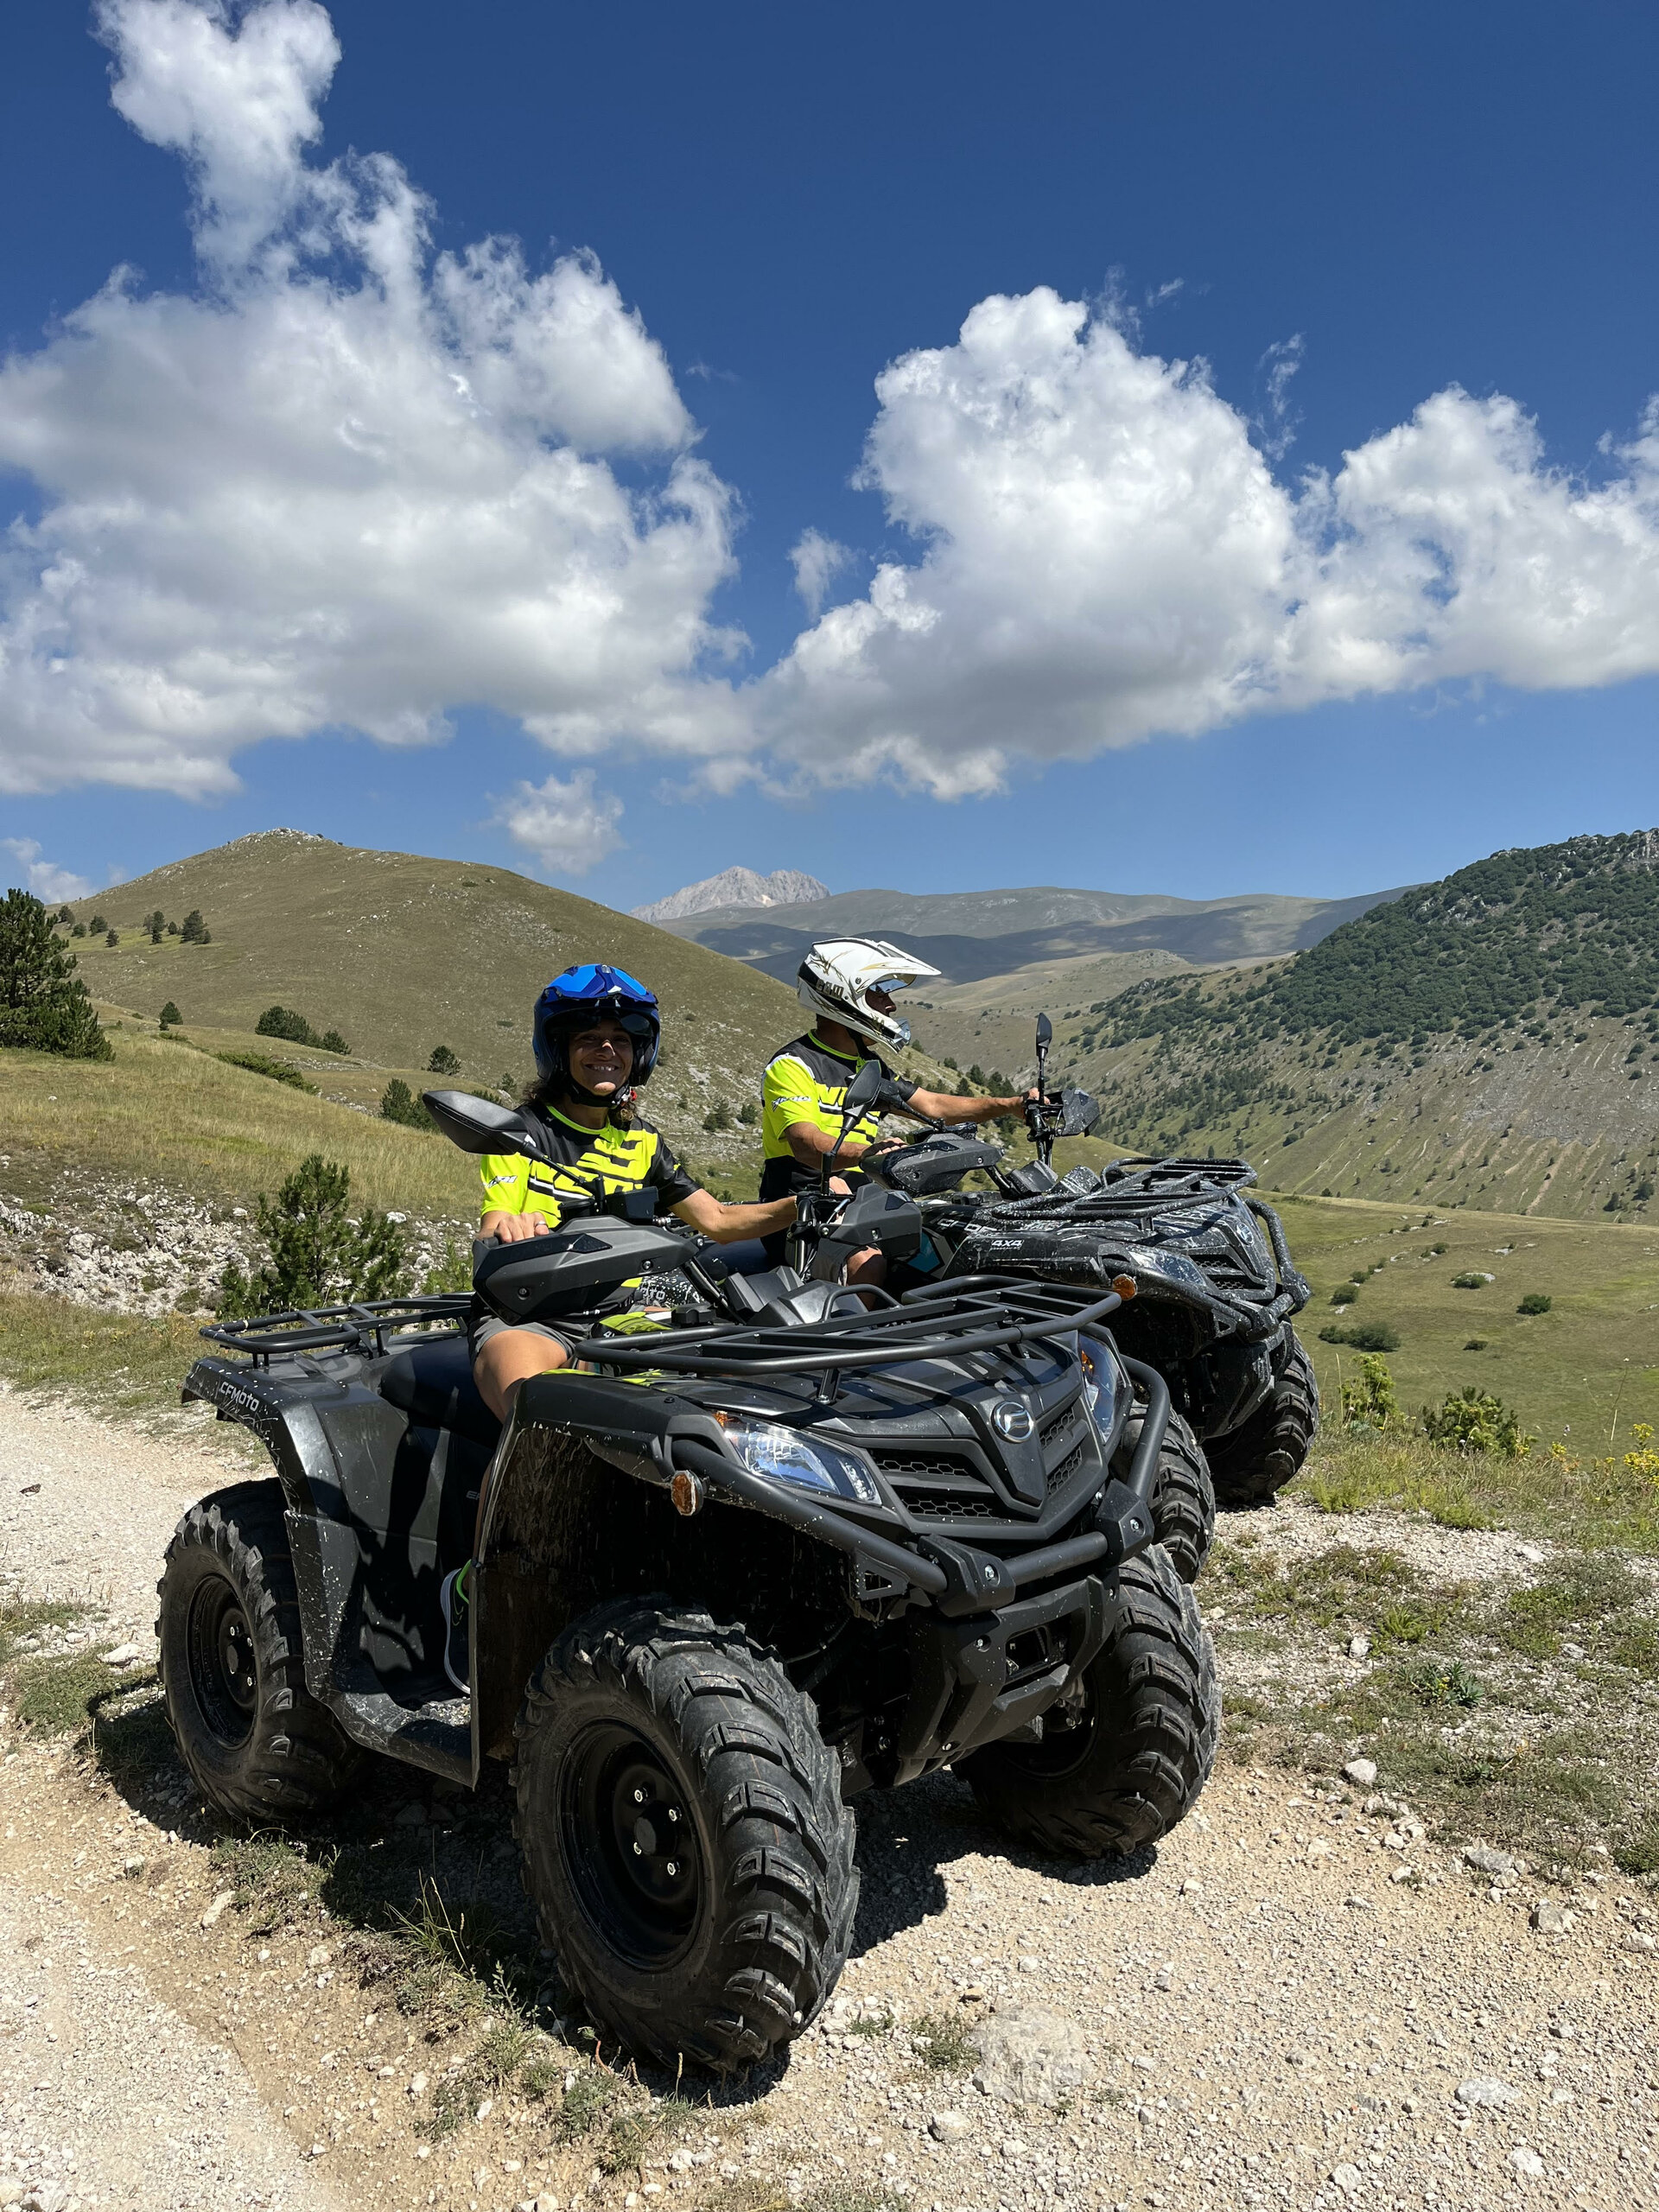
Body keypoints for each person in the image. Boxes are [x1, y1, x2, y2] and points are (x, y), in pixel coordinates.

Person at [440, 962, 798, 1691]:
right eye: (589, 1039)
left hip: (630, 1320)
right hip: (534, 1316)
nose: (607, 1050)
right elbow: (498, 1211)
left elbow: (719, 1220)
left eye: (621, 1039)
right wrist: (509, 1225)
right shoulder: (522, 1135)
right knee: (538, 1412)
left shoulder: (646, 1145)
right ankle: (480, 1592)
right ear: (558, 1050)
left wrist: (810, 1204)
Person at [758, 937, 1036, 1278]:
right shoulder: (793, 1065)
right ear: (841, 997)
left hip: (861, 1207)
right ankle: (848, 1315)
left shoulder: (870, 1066)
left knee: (949, 1244)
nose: (890, 1006)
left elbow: (932, 1105)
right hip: (801, 1215)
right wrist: (869, 1153)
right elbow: (805, 1143)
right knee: (867, 1264)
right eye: (877, 994)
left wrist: (1011, 1105)